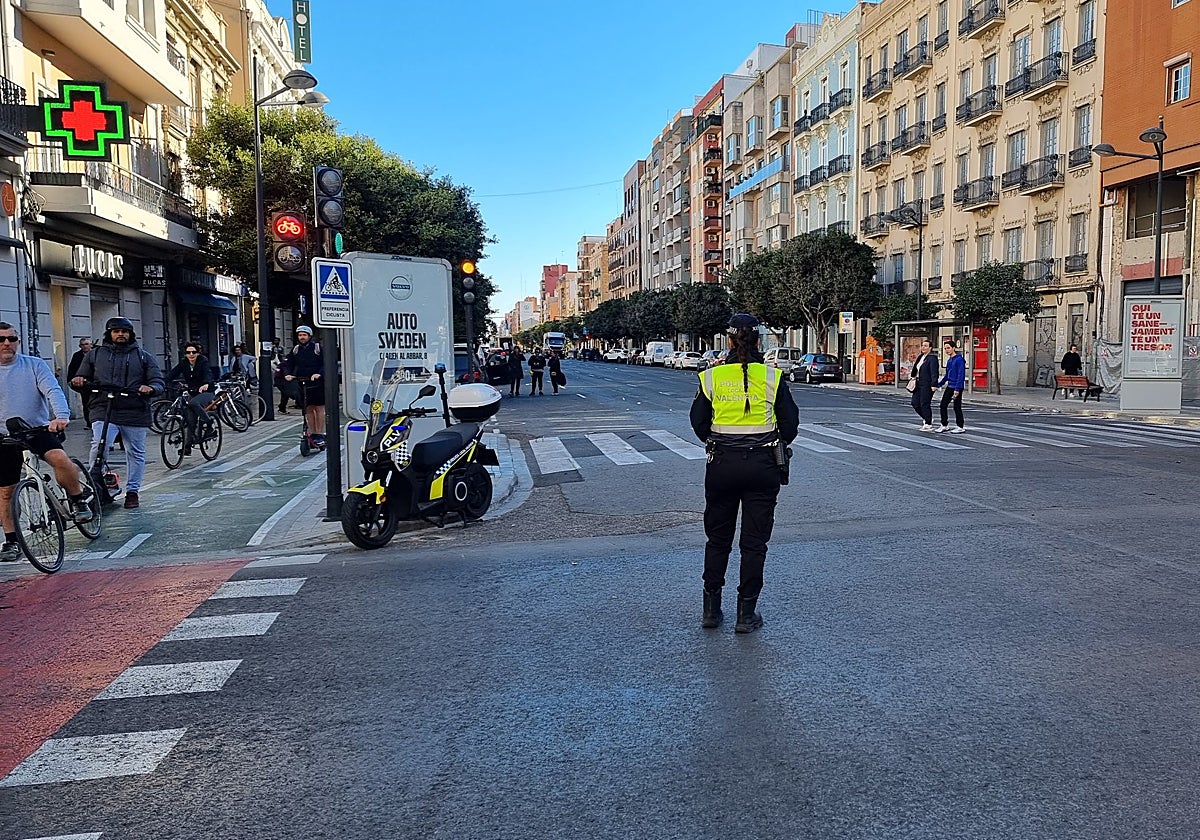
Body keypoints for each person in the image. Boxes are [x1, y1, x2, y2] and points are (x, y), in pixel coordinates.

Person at [690, 313, 799, 634]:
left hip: (722, 465)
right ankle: (745, 613)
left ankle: (711, 610)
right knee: (754, 544)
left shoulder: (711, 377)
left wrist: (720, 440)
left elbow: (698, 422)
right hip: (763, 467)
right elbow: (790, 425)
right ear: (758, 341)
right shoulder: (773, 378)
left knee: (717, 540)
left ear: (729, 340)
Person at [0, 323, 93, 561]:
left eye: (12, 339)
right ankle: (11, 541)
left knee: (59, 459)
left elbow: (52, 389)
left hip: (37, 429)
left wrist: (61, 416)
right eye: (1, 340)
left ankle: (77, 500)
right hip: (4, 437)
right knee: (6, 492)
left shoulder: (33, 365)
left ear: (18, 341)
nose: (6, 344)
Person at [70, 317, 164, 510]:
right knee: (99, 446)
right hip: (104, 408)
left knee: (135, 451)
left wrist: (151, 388)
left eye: (124, 331)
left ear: (130, 334)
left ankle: (132, 491)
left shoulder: (143, 356)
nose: (120, 334)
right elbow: (81, 378)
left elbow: (157, 380)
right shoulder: (95, 355)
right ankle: (96, 483)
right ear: (109, 334)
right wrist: (78, 382)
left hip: (134, 409)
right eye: (116, 331)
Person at [165, 343, 217, 447]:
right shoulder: (184, 363)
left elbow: (207, 373)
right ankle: (187, 447)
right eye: (188, 352)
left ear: (198, 353)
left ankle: (209, 423)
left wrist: (206, 383)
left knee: (194, 403)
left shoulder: (203, 361)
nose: (191, 354)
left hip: (207, 391)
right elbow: (173, 373)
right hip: (193, 392)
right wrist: (160, 383)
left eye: (194, 352)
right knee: (190, 419)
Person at [281, 325, 324, 442]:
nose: (302, 337)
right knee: (308, 408)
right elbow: (289, 363)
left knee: (318, 408)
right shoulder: (296, 349)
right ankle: (312, 432)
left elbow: (325, 363)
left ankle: (319, 433)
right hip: (302, 381)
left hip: (317, 382)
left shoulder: (317, 348)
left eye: (304, 335)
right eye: (300, 335)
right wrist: (287, 374)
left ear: (309, 336)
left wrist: (319, 374)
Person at [935, 339, 966, 434]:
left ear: (953, 348)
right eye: (945, 348)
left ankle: (960, 426)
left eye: (948, 348)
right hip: (950, 385)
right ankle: (944, 425)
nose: (947, 350)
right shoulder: (949, 360)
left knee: (957, 407)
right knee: (943, 405)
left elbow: (961, 375)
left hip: (957, 386)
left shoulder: (959, 359)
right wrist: (939, 384)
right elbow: (947, 375)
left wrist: (957, 389)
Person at [908, 339, 939, 431]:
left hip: (927, 384)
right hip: (918, 382)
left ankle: (928, 423)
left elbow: (934, 372)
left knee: (924, 403)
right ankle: (927, 417)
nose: (923, 347)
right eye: (922, 345)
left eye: (926, 346)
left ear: (930, 348)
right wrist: (913, 376)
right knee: (915, 403)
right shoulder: (921, 356)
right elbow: (916, 368)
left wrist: (934, 384)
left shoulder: (932, 358)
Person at [66, 337, 94, 425]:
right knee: (86, 403)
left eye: (87, 344)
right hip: (84, 384)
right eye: (83, 345)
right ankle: (89, 422)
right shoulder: (77, 356)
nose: (85, 346)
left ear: (91, 345)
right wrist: (71, 380)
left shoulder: (96, 354)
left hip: (96, 382)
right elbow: (72, 369)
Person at [271, 336, 291, 414]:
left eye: (277, 340)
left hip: (279, 362)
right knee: (285, 393)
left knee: (285, 394)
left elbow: (282, 354)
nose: (276, 342)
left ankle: (282, 408)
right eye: (275, 340)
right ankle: (282, 408)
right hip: (274, 362)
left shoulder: (281, 348)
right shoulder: (272, 347)